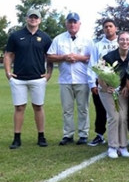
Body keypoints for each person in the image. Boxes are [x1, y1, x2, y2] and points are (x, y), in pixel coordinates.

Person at [4, 9, 53, 149]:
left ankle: (41, 136)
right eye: (31, 17)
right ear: (26, 18)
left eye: (36, 17)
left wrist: (49, 73)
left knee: (38, 106)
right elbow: (8, 54)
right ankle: (17, 138)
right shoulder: (16, 35)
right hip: (19, 78)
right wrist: (8, 72)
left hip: (38, 78)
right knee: (19, 107)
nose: (33, 19)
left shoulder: (45, 37)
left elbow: (49, 57)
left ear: (40, 20)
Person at [47, 12, 92, 146]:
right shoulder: (58, 39)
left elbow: (92, 58)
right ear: (66, 24)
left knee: (83, 109)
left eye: (75, 22)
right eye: (70, 22)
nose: (72, 24)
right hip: (65, 80)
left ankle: (83, 134)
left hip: (82, 79)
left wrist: (79, 58)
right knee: (67, 110)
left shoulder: (87, 40)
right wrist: (64, 57)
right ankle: (68, 134)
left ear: (79, 24)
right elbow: (49, 56)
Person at [99, 31, 129, 158]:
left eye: (127, 40)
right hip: (107, 91)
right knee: (114, 117)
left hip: (123, 91)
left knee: (123, 117)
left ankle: (123, 146)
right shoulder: (109, 57)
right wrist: (106, 87)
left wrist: (126, 86)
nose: (125, 42)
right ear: (118, 41)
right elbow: (100, 76)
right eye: (122, 39)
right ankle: (112, 147)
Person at [87, 19, 118, 146]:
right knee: (100, 110)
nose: (108, 29)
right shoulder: (97, 45)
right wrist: (92, 84)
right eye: (106, 27)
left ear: (115, 28)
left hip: (118, 83)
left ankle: (121, 135)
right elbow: (92, 65)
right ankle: (99, 135)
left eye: (111, 26)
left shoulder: (121, 43)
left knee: (119, 110)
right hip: (101, 83)